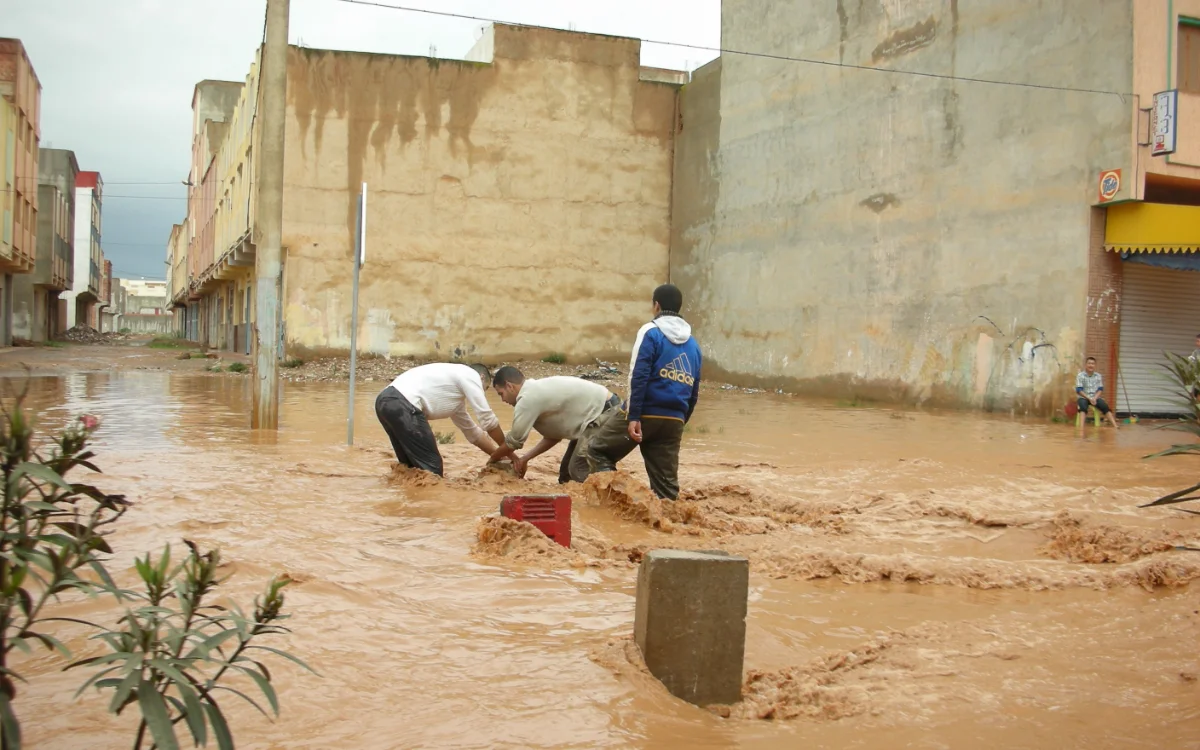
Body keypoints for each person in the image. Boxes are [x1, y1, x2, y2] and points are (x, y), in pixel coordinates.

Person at [587, 283, 702, 500]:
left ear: (656, 306)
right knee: (667, 492)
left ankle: (618, 504)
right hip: (675, 419)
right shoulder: (694, 345)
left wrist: (633, 415)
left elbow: (638, 375)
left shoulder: (650, 332)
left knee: (597, 451)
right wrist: (679, 422)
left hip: (645, 411)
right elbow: (694, 390)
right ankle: (668, 526)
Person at [488, 367, 621, 482]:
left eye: (501, 394)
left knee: (578, 469)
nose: (503, 400)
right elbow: (553, 437)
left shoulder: (527, 399)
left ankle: (611, 500)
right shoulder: (535, 390)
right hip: (596, 416)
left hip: (605, 412)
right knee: (566, 475)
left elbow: (514, 442)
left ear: (510, 386)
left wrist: (492, 458)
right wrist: (524, 460)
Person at [375, 362, 507, 476]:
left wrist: (498, 455)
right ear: (482, 377)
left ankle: (409, 502)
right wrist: (508, 449)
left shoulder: (454, 397)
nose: (482, 391)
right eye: (485, 387)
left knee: (410, 467)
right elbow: (487, 420)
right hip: (402, 403)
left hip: (384, 402)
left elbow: (473, 433)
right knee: (432, 469)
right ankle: (430, 503)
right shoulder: (470, 374)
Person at [1075, 356, 1119, 428]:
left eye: (1092, 364)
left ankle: (1115, 425)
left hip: (1095, 397)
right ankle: (1081, 428)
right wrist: (1089, 398)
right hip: (1083, 397)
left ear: (1095, 365)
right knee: (1083, 407)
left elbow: (1100, 389)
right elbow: (1079, 390)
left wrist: (1095, 398)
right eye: (1089, 363)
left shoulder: (1098, 376)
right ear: (1086, 365)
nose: (1090, 365)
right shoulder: (1080, 375)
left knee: (1104, 406)